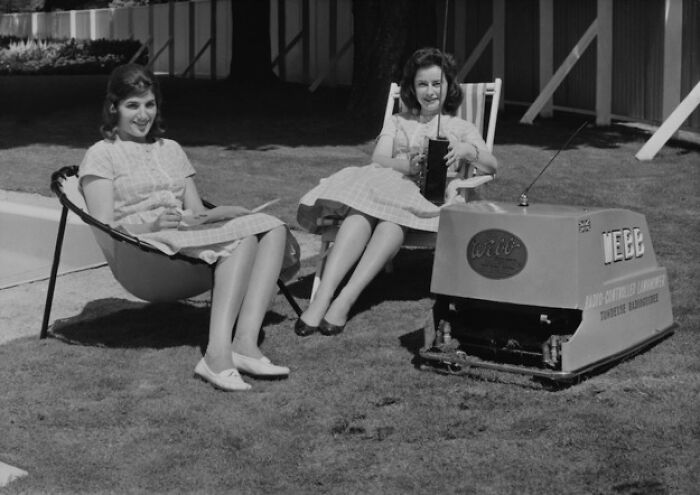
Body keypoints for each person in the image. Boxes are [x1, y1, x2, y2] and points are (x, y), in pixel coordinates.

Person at [79, 64, 300, 391]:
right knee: (242, 241)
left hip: (185, 232)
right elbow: (104, 222)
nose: (143, 115)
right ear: (114, 108)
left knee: (272, 227)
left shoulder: (171, 149)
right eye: (132, 105)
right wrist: (151, 222)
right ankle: (216, 355)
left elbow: (195, 211)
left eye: (149, 104)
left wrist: (227, 212)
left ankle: (245, 344)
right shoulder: (101, 155)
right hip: (146, 246)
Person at [295, 47, 497, 337]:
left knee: (390, 221)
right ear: (412, 89)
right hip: (388, 186)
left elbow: (491, 164)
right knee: (361, 213)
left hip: (425, 198)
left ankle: (345, 299)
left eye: (436, 83)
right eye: (422, 84)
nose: (430, 91)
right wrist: (408, 165)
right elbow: (378, 159)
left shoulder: (460, 126)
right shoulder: (399, 120)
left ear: (449, 86)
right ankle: (323, 298)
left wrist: (467, 149)